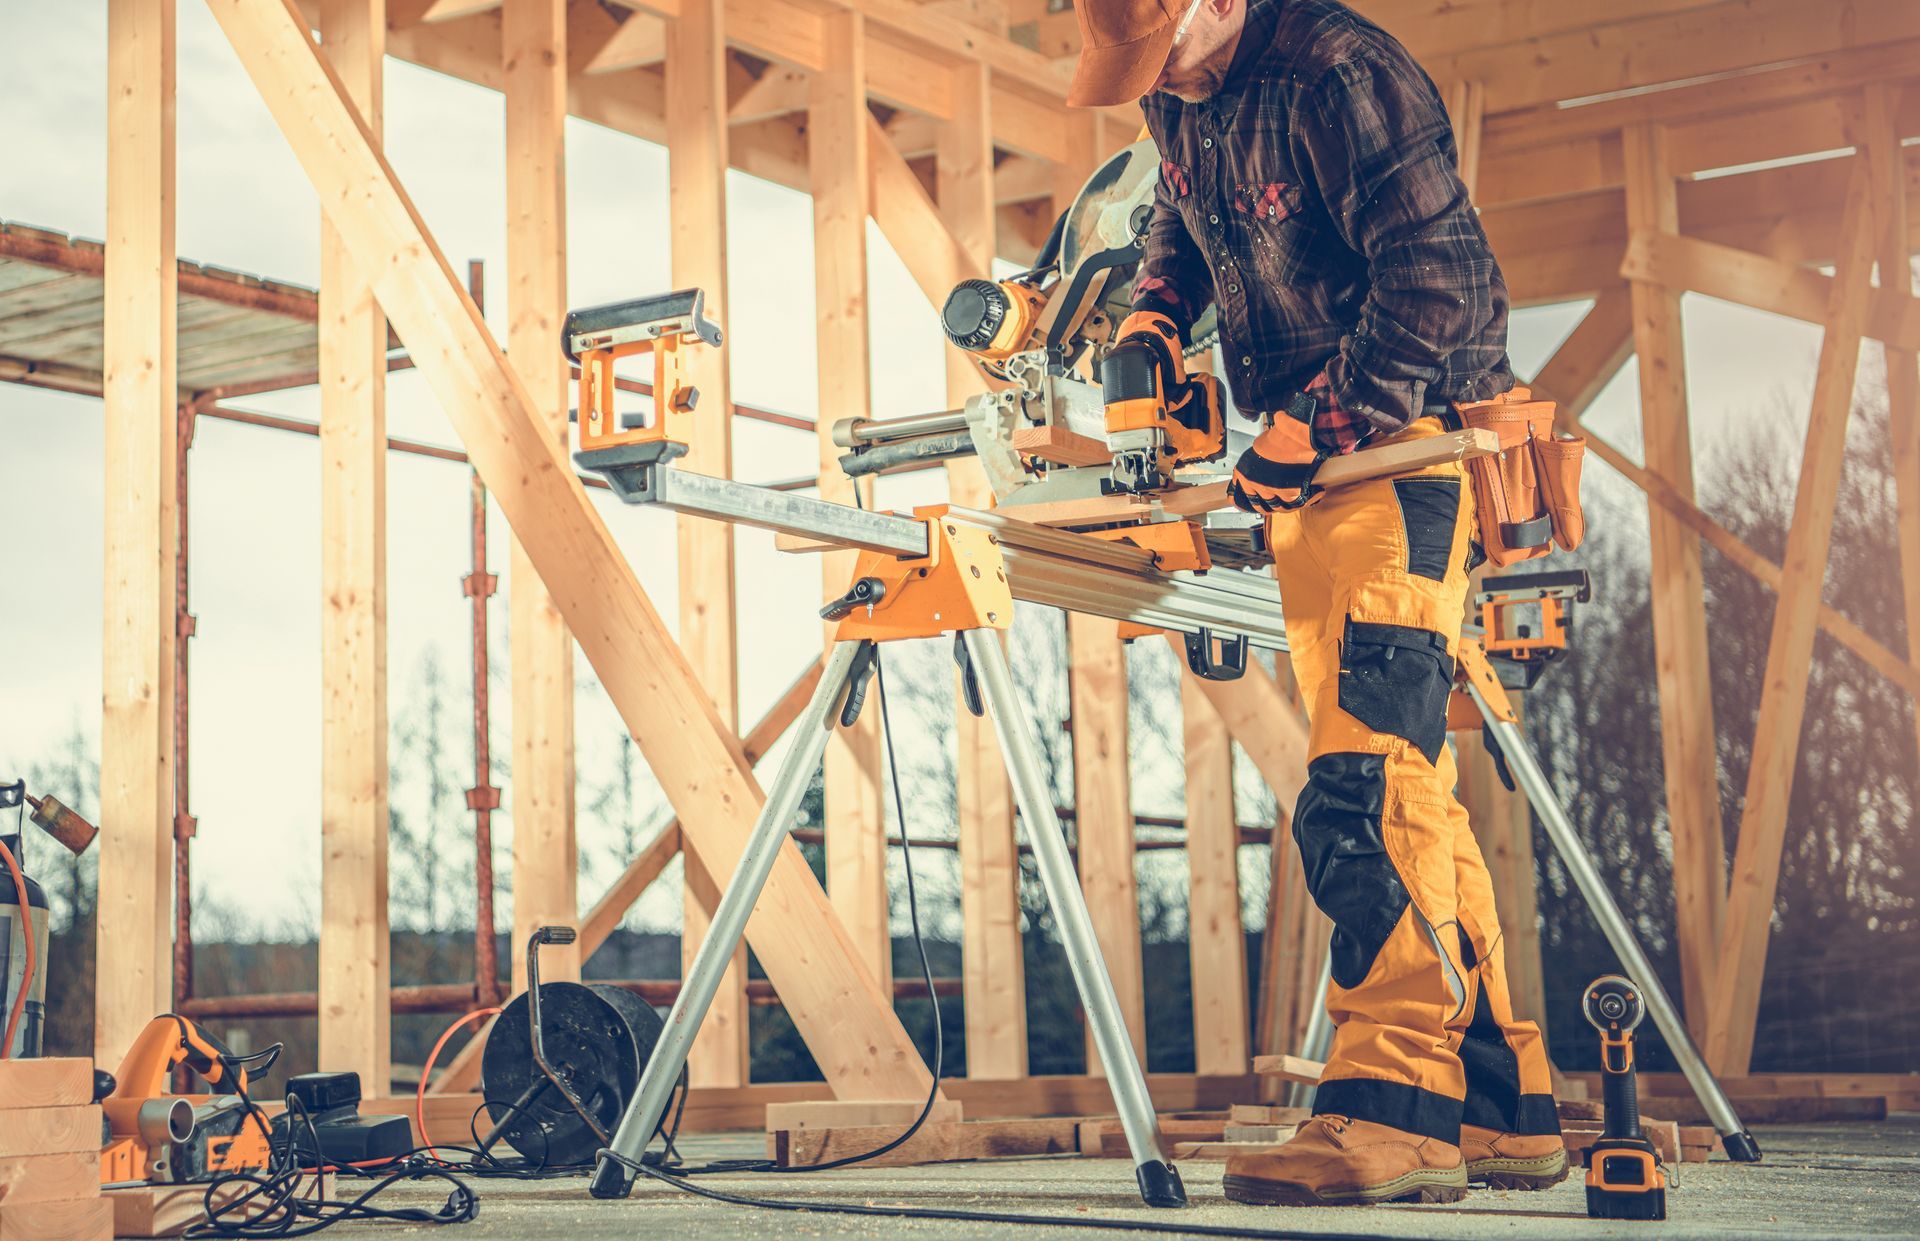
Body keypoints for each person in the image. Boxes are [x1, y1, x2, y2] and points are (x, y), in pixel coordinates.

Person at [1067, 0, 1566, 1208]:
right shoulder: (1180, 88)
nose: (1161, 87)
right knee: (1411, 793)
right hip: (1318, 477)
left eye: (1163, 55)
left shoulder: (1345, 76)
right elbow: (1180, 223)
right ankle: (1500, 1103)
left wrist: (1314, 423)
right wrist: (1150, 307)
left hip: (1406, 456)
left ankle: (1391, 1110)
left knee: (1363, 791)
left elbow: (1443, 284)